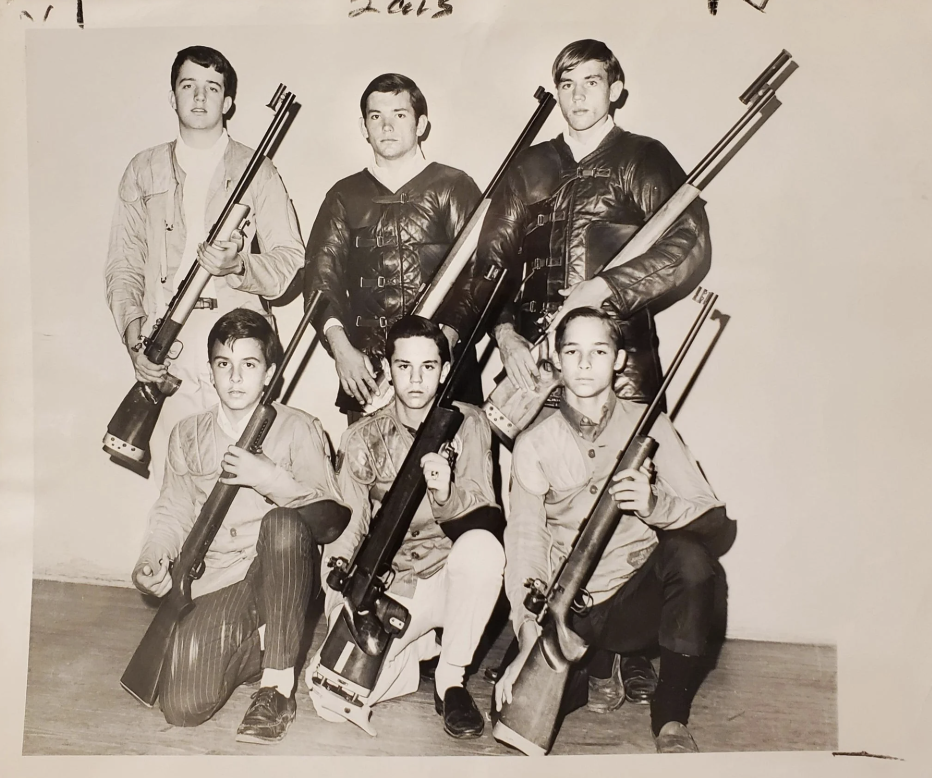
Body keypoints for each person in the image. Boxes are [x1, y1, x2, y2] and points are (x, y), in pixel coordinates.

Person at [474, 37, 712, 704]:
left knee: (631, 507)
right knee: (542, 507)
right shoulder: (531, 166)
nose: (579, 93)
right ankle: (541, 635)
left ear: (617, 88)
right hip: (536, 364)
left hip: (623, 362)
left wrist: (607, 291)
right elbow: (494, 264)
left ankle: (628, 646)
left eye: (592, 80)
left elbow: (689, 246)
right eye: (567, 82)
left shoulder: (644, 159)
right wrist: (503, 333)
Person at [494, 307, 727, 753]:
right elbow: (525, 542)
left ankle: (671, 718)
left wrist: (656, 504)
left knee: (692, 559)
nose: (584, 364)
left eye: (598, 351)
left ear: (619, 359)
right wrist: (526, 634)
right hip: (572, 607)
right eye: (572, 351)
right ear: (556, 358)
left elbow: (714, 519)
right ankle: (598, 664)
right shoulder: (534, 442)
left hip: (638, 600)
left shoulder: (651, 425)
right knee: (509, 715)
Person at [131, 308, 349, 744]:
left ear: (269, 374)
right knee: (182, 707)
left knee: (283, 525)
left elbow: (331, 520)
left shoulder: (300, 427)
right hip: (221, 579)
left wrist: (268, 477)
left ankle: (277, 686)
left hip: (280, 573)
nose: (235, 377)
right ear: (209, 371)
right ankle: (266, 644)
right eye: (223, 365)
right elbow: (173, 509)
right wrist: (152, 558)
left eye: (249, 365)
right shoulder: (187, 434)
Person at [105, 45, 304, 482]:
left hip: (239, 338)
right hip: (165, 336)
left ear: (227, 101)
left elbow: (291, 263)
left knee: (242, 481)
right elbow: (123, 266)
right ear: (172, 96)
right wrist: (135, 338)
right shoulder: (143, 169)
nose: (199, 97)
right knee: (175, 485)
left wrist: (239, 266)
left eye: (212, 87)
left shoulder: (259, 169)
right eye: (188, 85)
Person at [307, 316, 504, 739]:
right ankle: (416, 651)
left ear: (445, 371)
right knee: (333, 702)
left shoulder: (471, 425)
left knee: (484, 551)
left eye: (428, 367)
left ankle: (451, 680)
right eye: (404, 366)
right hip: (395, 588)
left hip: (452, 579)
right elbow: (349, 528)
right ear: (388, 368)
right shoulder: (363, 438)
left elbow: (485, 510)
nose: (416, 379)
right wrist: (338, 608)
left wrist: (445, 492)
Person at [304, 73, 483, 420]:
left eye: (399, 115)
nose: (386, 126)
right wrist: (342, 350)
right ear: (363, 126)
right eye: (376, 116)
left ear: (421, 124)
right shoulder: (343, 195)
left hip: (446, 374)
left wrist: (441, 347)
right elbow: (320, 276)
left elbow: (478, 276)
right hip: (369, 376)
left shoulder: (454, 186)